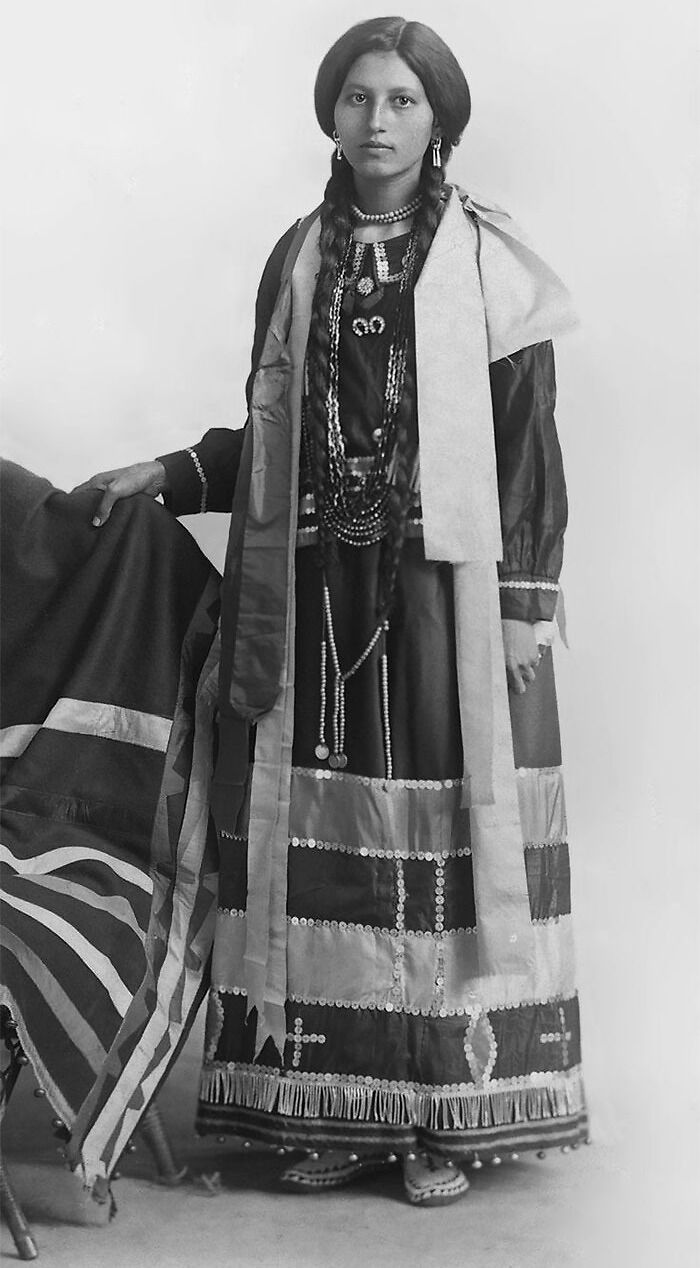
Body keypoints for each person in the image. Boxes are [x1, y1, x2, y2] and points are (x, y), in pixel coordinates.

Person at [79, 16, 587, 1206]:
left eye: (402, 99)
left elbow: (526, 441)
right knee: (318, 835)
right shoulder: (298, 257)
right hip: (311, 596)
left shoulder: (487, 260)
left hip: (445, 596)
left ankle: (441, 1120)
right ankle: (337, 1109)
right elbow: (269, 433)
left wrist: (522, 605)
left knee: (444, 834)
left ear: (439, 118)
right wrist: (172, 473)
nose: (377, 120)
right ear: (332, 113)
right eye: (358, 97)